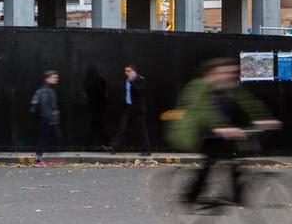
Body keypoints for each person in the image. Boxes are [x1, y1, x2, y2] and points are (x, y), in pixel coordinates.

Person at [168, 58, 278, 211]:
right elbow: (203, 110)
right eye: (223, 72)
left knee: (236, 157)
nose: (228, 76)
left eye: (231, 72)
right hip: (196, 132)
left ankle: (235, 194)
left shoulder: (230, 88)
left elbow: (249, 103)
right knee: (210, 160)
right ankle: (190, 196)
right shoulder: (198, 87)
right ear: (210, 74)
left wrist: (264, 119)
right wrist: (221, 128)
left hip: (221, 132)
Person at [107, 65, 151, 152]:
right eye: (125, 71)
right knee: (122, 128)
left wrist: (132, 81)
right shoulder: (126, 81)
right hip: (128, 108)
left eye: (128, 71)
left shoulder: (140, 79)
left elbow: (140, 90)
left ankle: (146, 150)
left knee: (141, 130)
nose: (126, 73)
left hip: (138, 109)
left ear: (134, 71)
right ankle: (113, 147)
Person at [28, 71, 62, 163]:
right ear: (47, 78)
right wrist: (52, 121)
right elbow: (45, 106)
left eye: (56, 77)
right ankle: (37, 159)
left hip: (46, 118)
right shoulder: (46, 90)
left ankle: (38, 158)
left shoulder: (48, 89)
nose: (55, 79)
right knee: (44, 139)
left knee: (44, 138)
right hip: (47, 119)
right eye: (53, 77)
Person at [80, 68, 109, 151]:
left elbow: (85, 93)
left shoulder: (87, 81)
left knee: (94, 125)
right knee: (98, 125)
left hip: (92, 105)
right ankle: (104, 143)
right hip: (99, 106)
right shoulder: (100, 80)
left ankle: (87, 144)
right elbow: (104, 92)